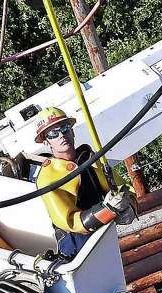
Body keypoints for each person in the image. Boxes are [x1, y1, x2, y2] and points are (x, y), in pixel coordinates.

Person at [33, 107, 115, 258]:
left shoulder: (89, 158)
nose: (61, 135)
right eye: (53, 133)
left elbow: (121, 186)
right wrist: (109, 210)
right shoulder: (47, 177)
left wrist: (127, 204)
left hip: (103, 229)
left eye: (64, 128)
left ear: (72, 131)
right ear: (46, 142)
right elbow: (70, 222)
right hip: (75, 243)